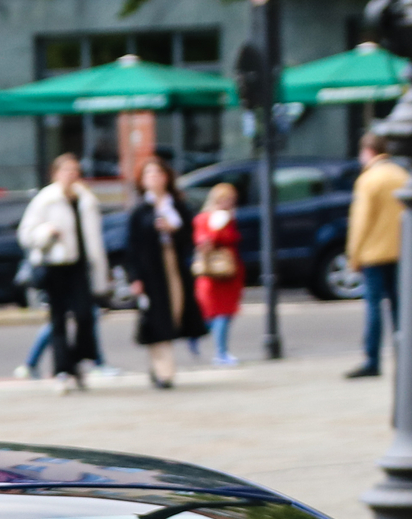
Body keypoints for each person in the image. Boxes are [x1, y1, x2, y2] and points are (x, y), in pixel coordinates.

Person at [17, 152, 108, 394]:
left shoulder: (86, 199)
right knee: (58, 320)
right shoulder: (45, 199)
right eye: (66, 170)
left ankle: (78, 362)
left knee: (85, 316)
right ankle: (62, 370)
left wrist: (101, 270)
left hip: (80, 265)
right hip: (54, 265)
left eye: (75, 170)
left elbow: (95, 239)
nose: (72, 175)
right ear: (56, 173)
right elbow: (26, 234)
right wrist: (47, 232)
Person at [125, 156, 204, 389]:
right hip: (150, 271)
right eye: (149, 174)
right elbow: (132, 246)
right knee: (156, 317)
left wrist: (173, 230)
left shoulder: (177, 206)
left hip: (174, 268)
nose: (154, 179)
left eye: (158, 174)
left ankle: (159, 365)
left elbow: (190, 238)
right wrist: (135, 277)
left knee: (175, 314)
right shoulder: (140, 211)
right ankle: (164, 371)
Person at [345, 131, 405, 379]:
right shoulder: (402, 175)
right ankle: (405, 354)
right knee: (400, 308)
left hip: (373, 254)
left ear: (368, 151)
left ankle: (372, 359)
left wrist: (354, 256)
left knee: (373, 308)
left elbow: (360, 222)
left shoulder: (369, 180)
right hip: (400, 252)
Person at [192, 181, 244, 365]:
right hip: (216, 273)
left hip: (227, 273)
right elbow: (207, 240)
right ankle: (220, 353)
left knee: (218, 315)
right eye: (226, 199)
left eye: (231, 200)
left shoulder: (211, 217)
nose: (229, 203)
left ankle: (195, 335)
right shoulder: (215, 219)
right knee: (221, 314)